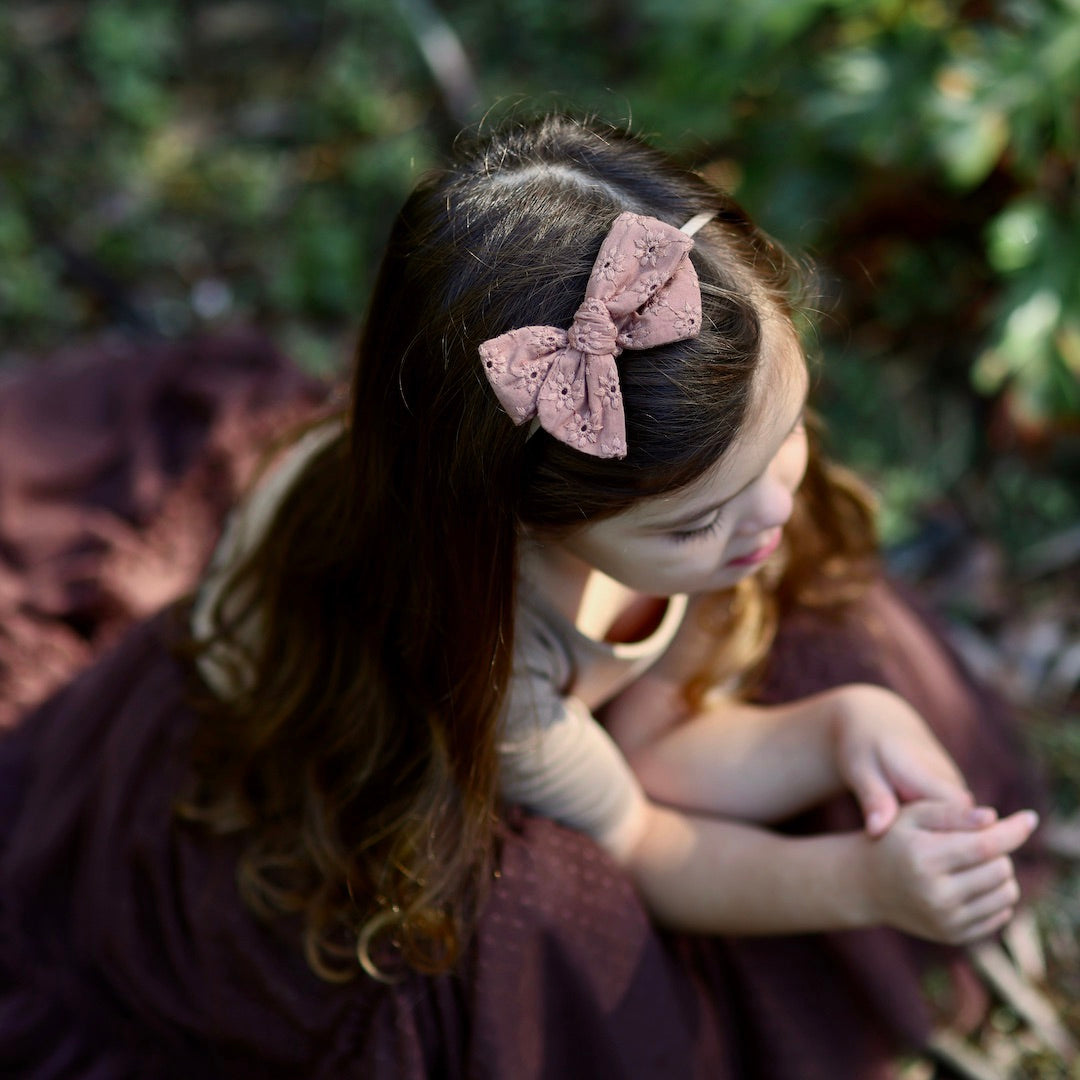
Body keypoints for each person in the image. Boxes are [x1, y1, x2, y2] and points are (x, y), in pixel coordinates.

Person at [0, 115, 1045, 1079]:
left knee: (829, 633)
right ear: (531, 523)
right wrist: (858, 882)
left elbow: (661, 740)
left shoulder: (702, 462)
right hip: (371, 745)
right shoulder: (491, 665)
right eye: (696, 521)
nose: (774, 508)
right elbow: (645, 838)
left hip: (555, 639)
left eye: (785, 439)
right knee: (540, 917)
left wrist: (844, 725)